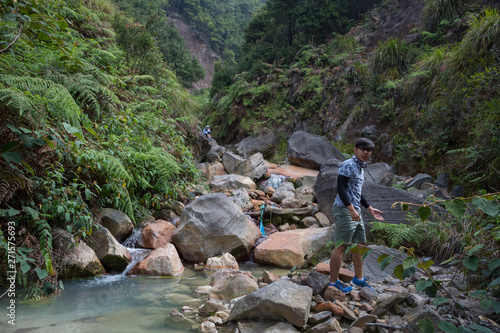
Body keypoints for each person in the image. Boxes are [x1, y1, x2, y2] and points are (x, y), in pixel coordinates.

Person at [329, 137, 384, 293]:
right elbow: (341, 189)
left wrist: (369, 208)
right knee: (341, 245)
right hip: (345, 209)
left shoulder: (360, 167)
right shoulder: (347, 165)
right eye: (362, 149)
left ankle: (358, 279)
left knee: (360, 245)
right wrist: (351, 209)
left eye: (368, 150)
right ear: (355, 150)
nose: (365, 152)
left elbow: (356, 192)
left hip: (355, 210)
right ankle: (333, 282)